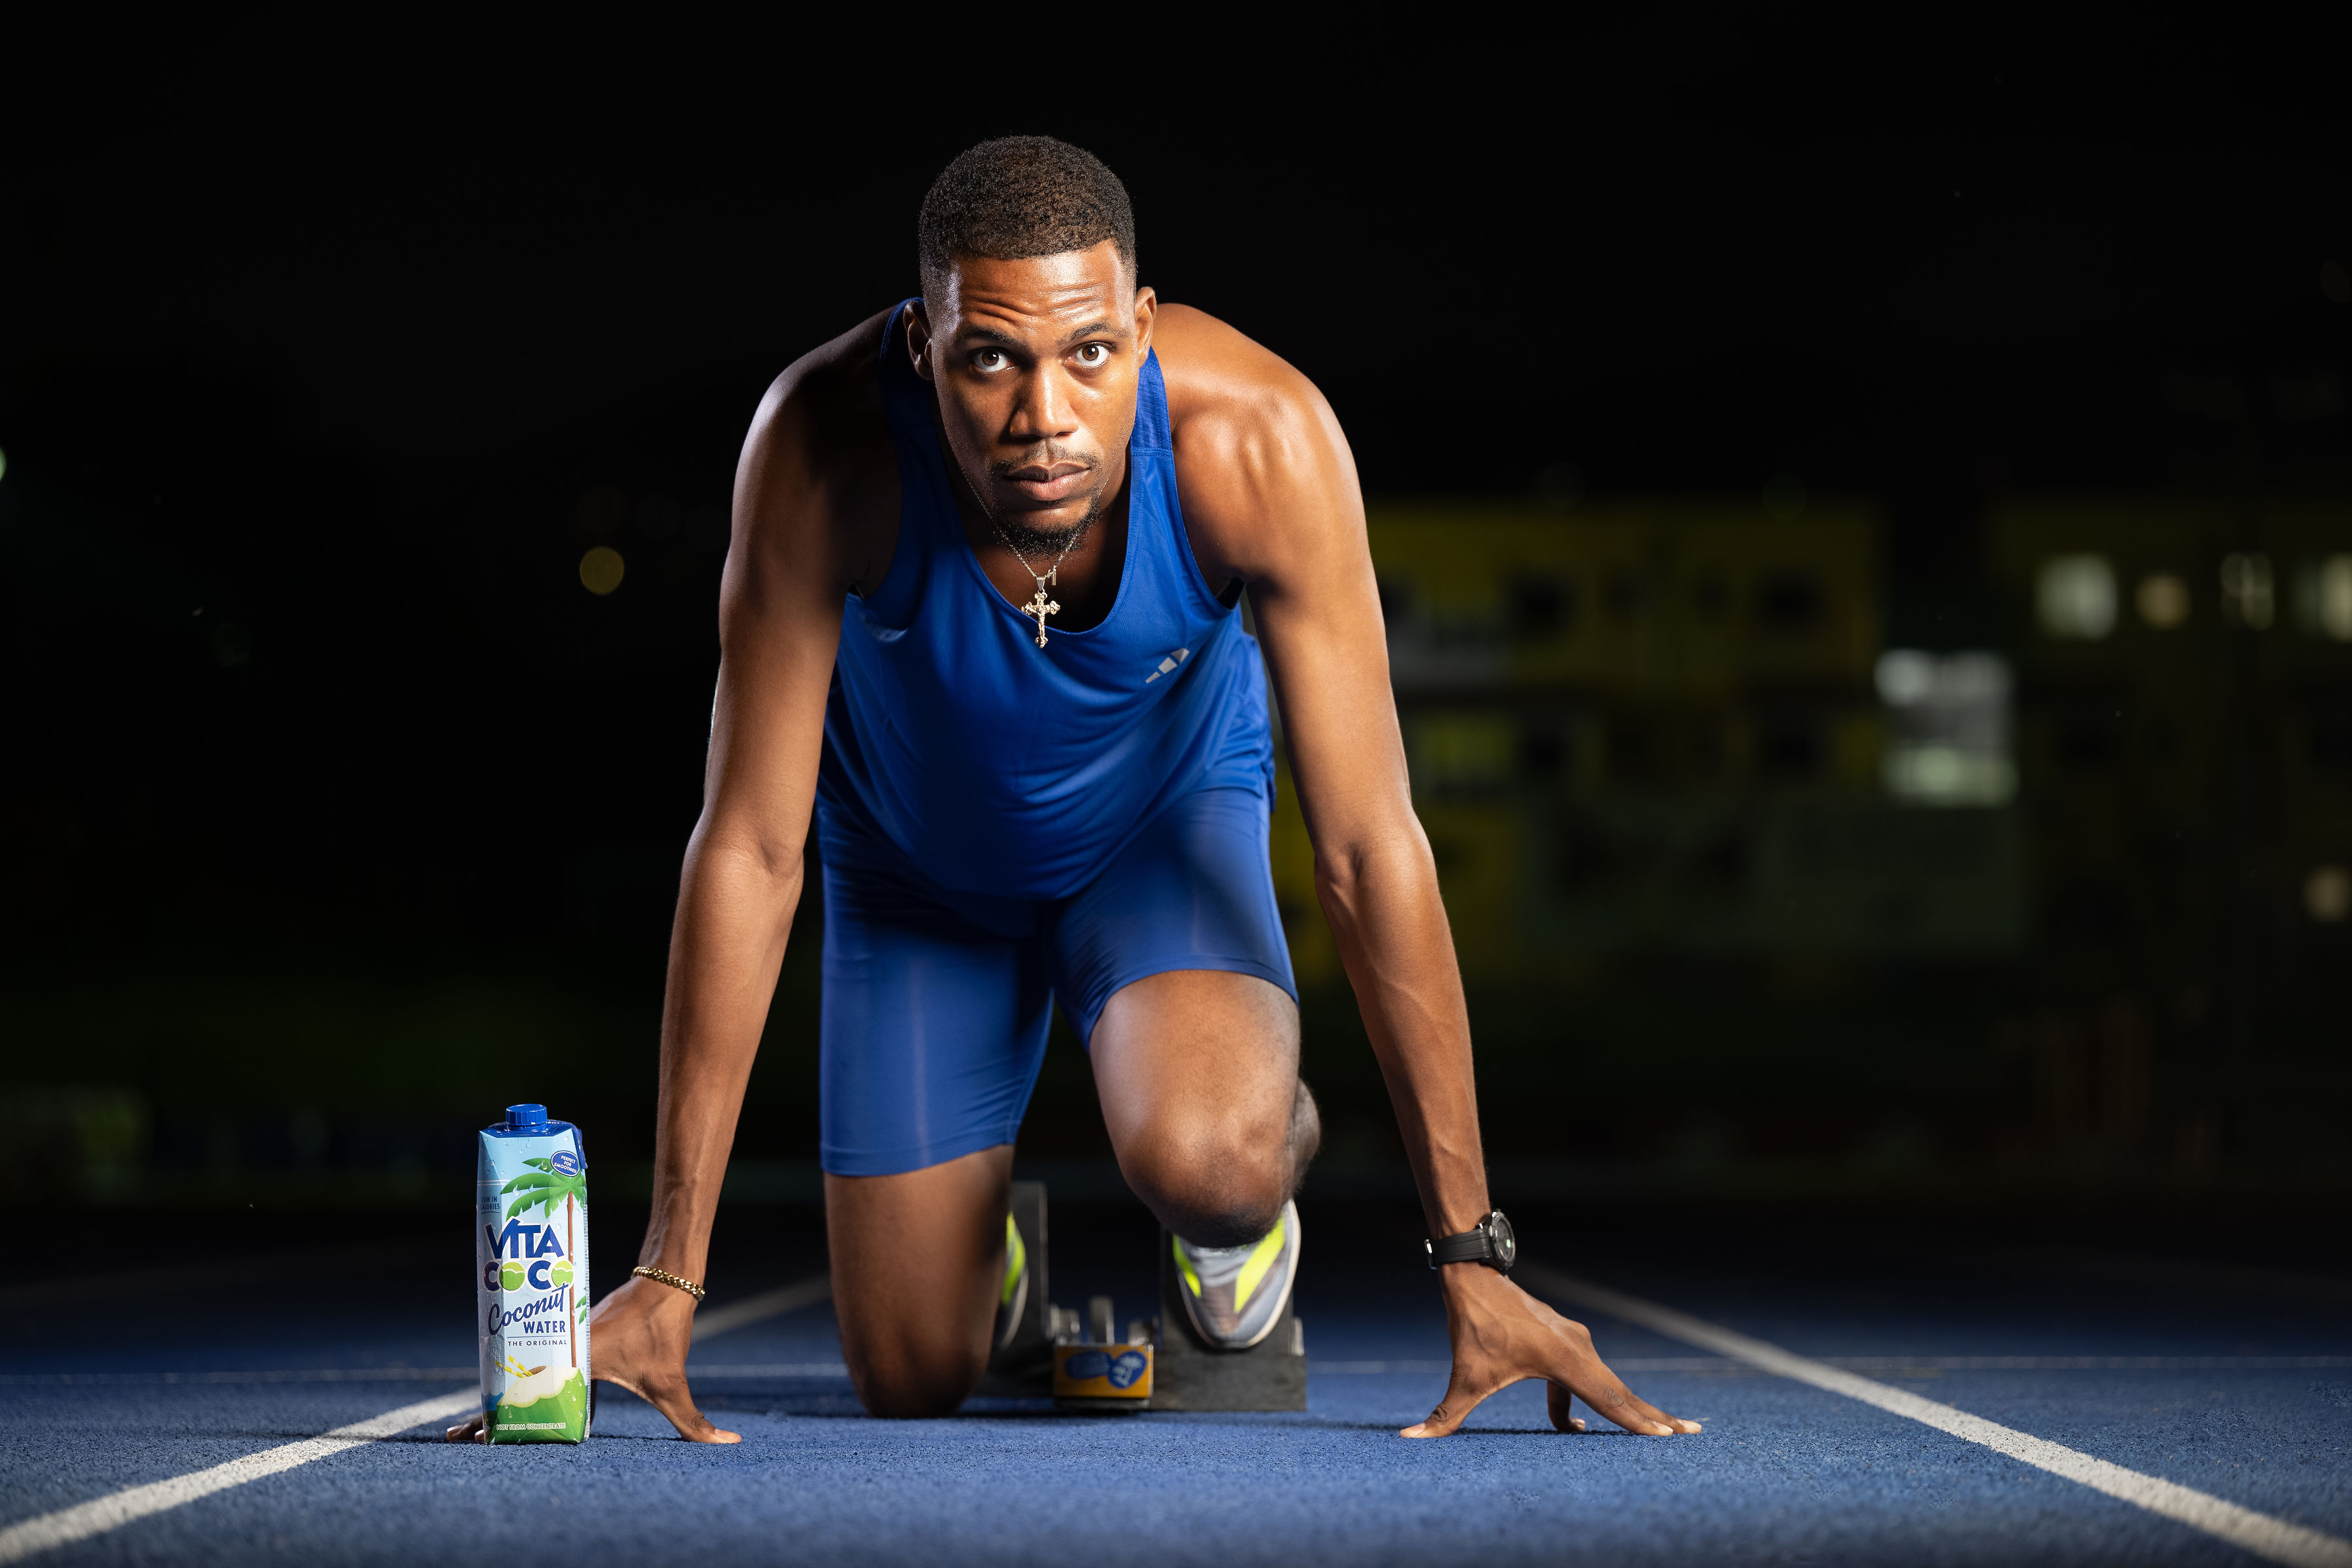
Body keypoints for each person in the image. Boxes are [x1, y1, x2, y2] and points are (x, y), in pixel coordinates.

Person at [451, 135, 1696, 1445]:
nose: (1047, 415)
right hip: (917, 882)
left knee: (1210, 1164)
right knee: (911, 1380)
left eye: (1091, 354)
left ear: (1143, 327)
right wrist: (665, 1271)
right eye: (991, 359)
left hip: (1161, 846)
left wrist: (1472, 1253)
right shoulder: (824, 448)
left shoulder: (1259, 439)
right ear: (926, 344)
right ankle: (981, 1261)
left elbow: (1374, 849)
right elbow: (751, 848)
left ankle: (1246, 1191)